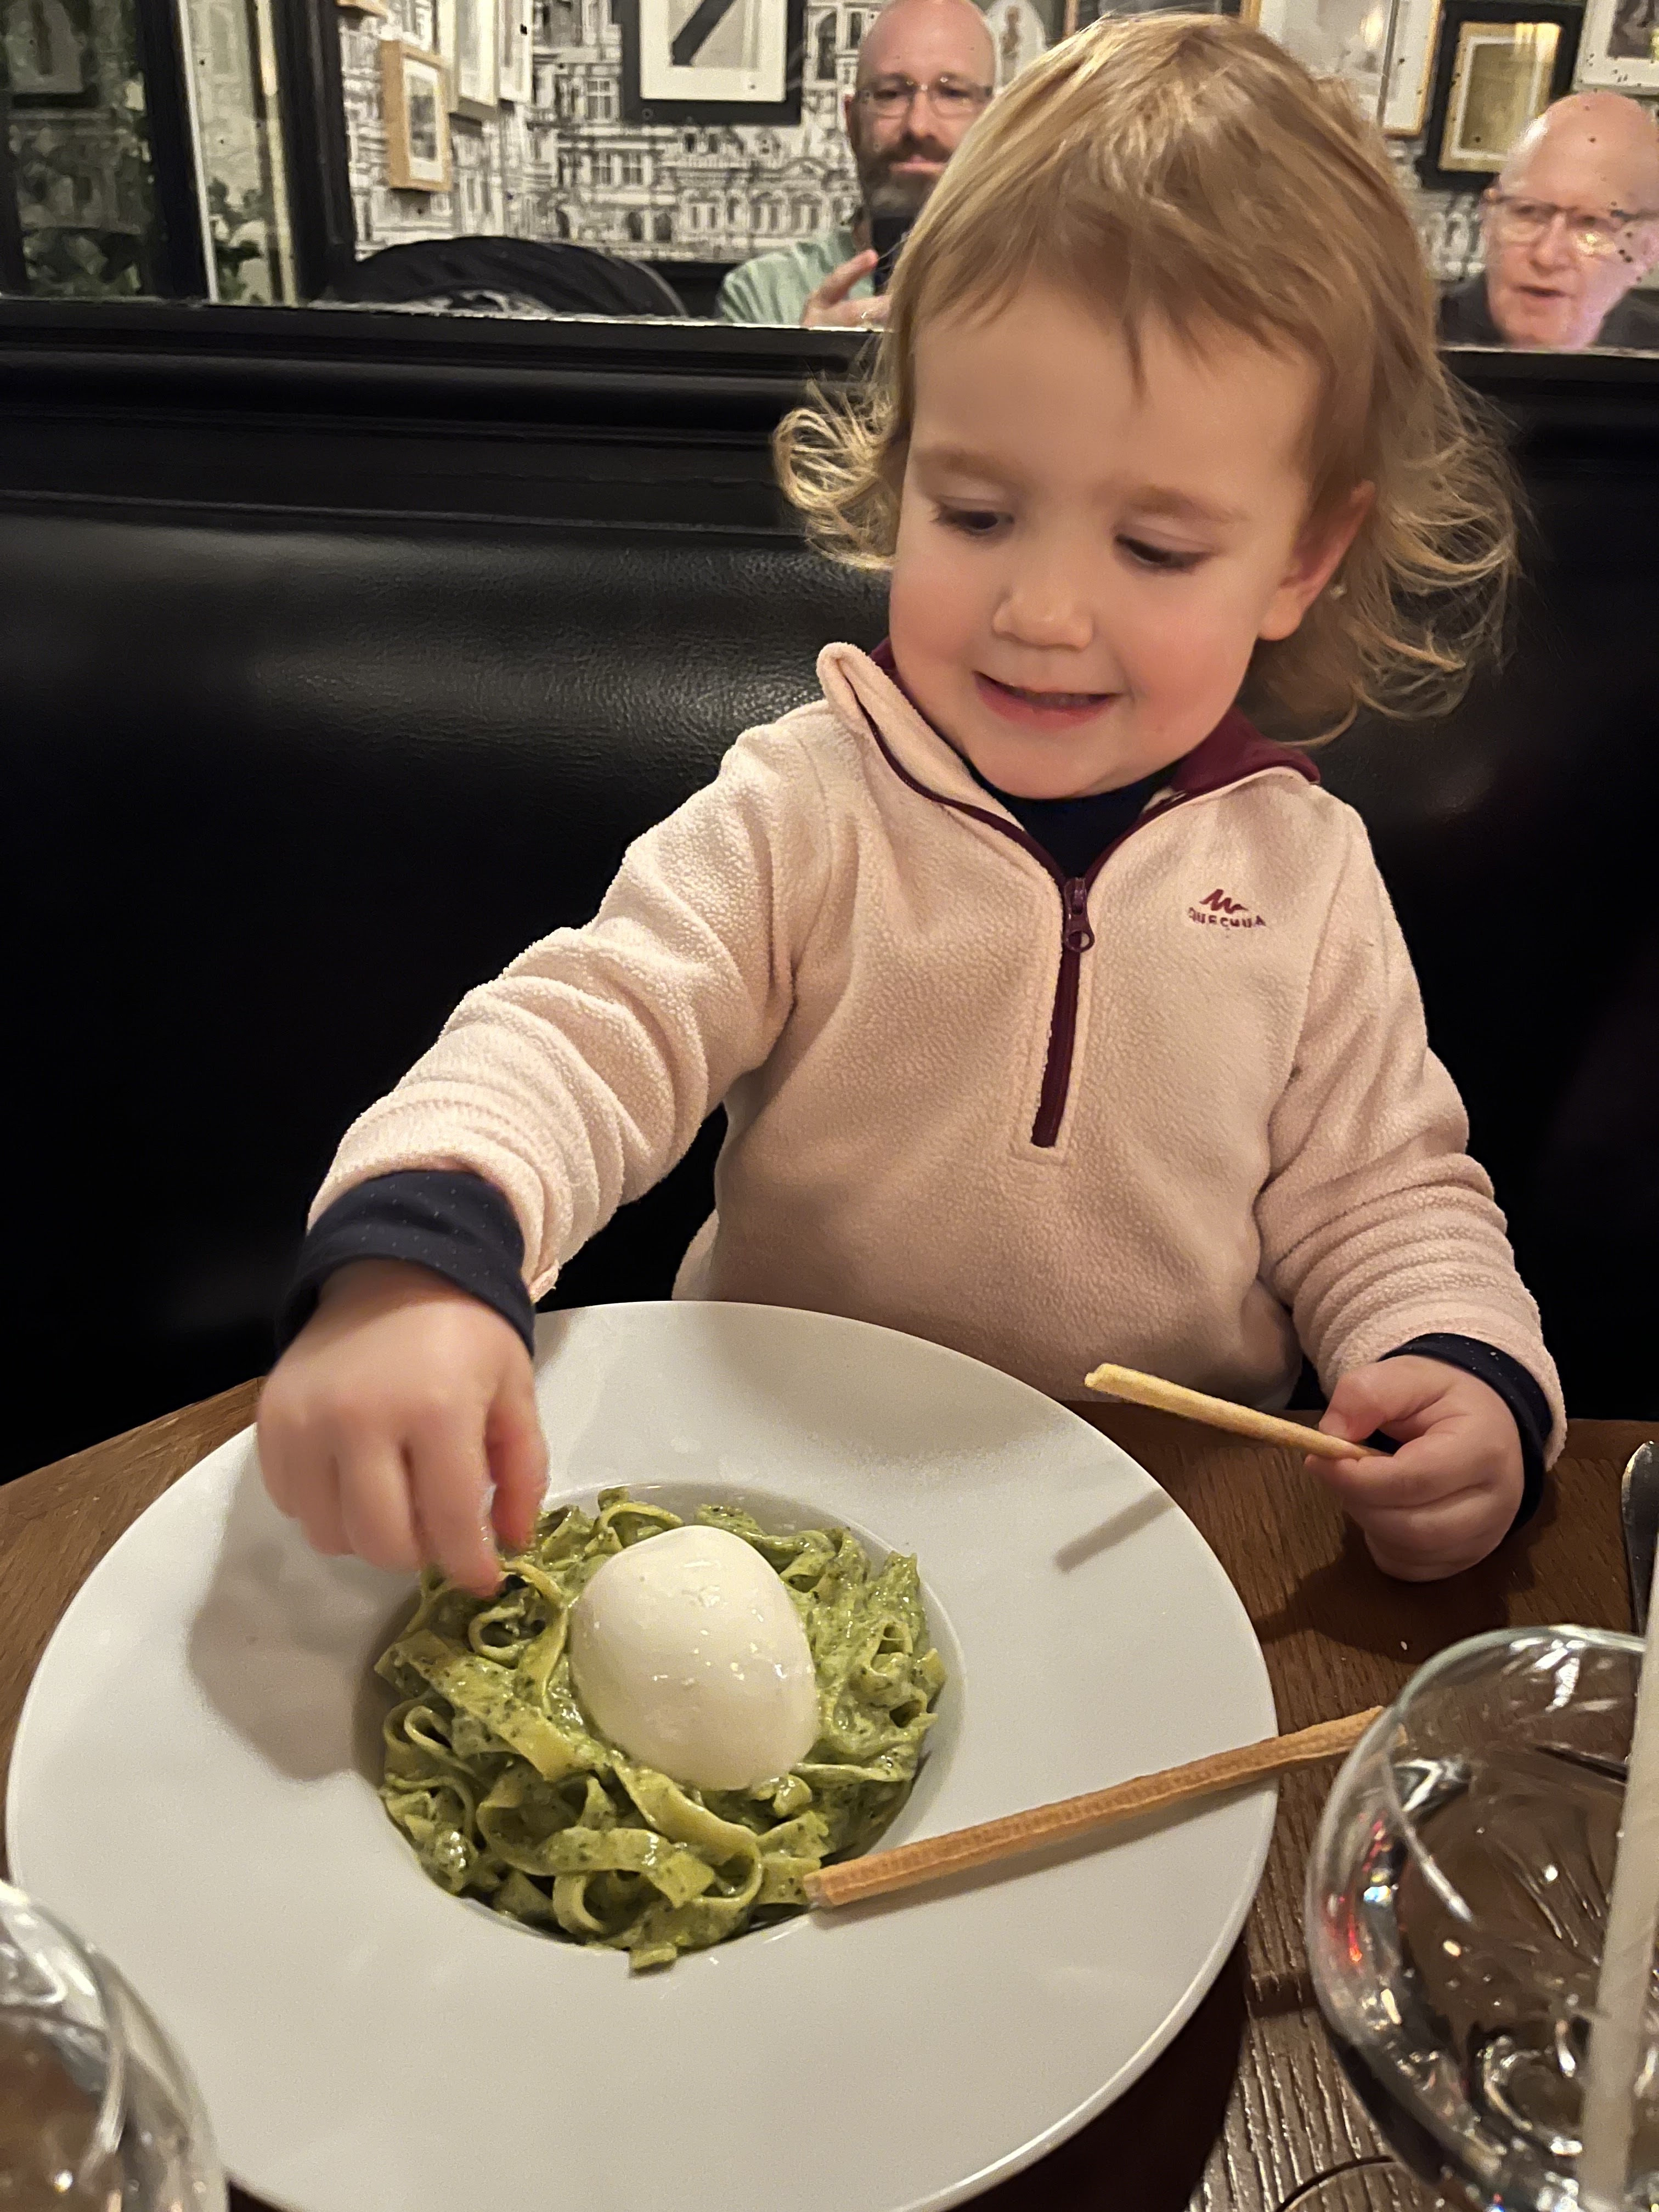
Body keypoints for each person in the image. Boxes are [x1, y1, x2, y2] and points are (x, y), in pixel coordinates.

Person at [260, 15, 1564, 1598]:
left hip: (1152, 1532)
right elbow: (587, 1034)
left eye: (1155, 549)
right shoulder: (806, 805)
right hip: (772, 1489)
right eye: (979, 511)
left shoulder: (1307, 870)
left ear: (1302, 559)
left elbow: (1383, 1189)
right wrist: (422, 1250)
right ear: (903, 474)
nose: (1043, 613)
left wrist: (1458, 1367)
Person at [716, 0, 994, 329]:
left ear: (998, 120)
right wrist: (808, 354)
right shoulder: (764, 297)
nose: (918, 126)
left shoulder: (1038, 289)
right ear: (851, 121)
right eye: (890, 94)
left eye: (952, 93)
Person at [1439, 92, 1659, 351]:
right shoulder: (1408, 342)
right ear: (1488, 219)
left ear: (1648, 249)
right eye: (1527, 212)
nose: (1546, 256)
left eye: (1590, 223)